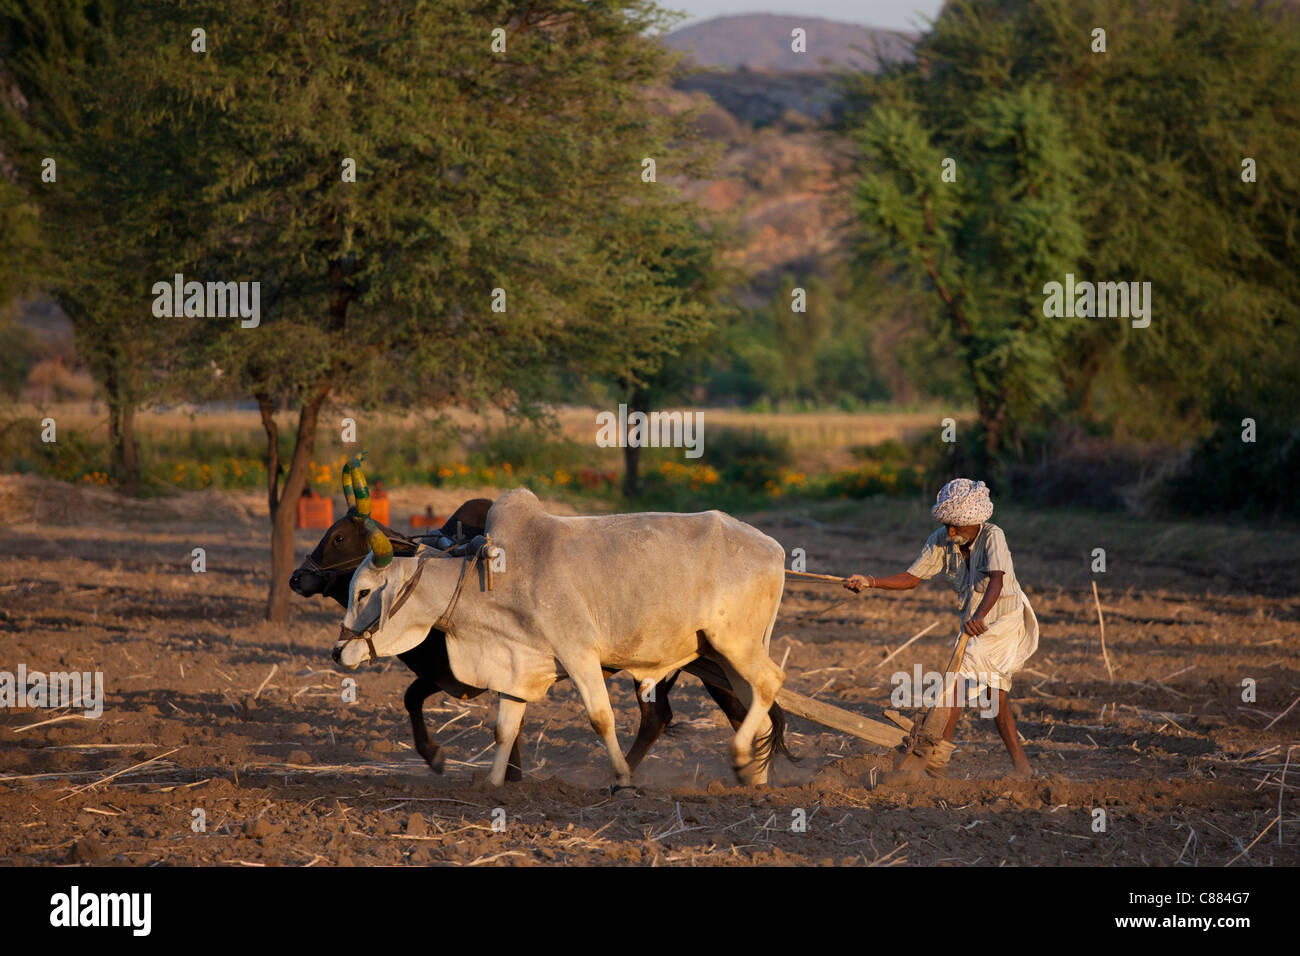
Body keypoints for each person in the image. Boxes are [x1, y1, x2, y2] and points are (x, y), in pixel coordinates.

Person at [843, 478, 1039, 783]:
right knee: (995, 698)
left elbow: (997, 581)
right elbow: (911, 578)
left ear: (975, 522)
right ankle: (1022, 768)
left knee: (959, 674)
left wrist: (980, 616)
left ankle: (937, 753)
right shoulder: (941, 539)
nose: (950, 532)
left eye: (956, 526)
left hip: (1003, 620)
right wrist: (870, 581)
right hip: (974, 625)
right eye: (947, 524)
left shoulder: (993, 536)